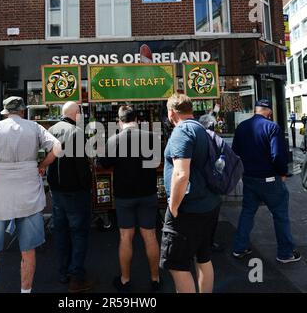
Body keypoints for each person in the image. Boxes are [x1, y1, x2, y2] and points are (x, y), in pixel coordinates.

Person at [0, 96, 61, 293]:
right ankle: (25, 291)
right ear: (23, 111)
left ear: (5, 112)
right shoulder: (34, 127)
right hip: (29, 190)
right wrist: (42, 165)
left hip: (0, 191)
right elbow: (57, 148)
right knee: (28, 249)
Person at [160, 95, 221, 293]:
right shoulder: (200, 128)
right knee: (203, 258)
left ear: (171, 113)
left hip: (188, 209)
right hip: (208, 204)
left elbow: (180, 174)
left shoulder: (182, 131)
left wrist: (173, 207)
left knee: (177, 265)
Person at [99, 106, 161, 293]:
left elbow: (103, 163)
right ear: (138, 120)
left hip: (124, 195)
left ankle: (125, 280)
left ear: (119, 121)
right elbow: (157, 162)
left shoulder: (113, 140)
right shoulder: (152, 137)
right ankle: (155, 279)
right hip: (148, 193)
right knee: (150, 236)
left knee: (126, 237)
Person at [232, 99, 301, 263]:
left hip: (249, 178)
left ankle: (239, 247)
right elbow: (277, 155)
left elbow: (235, 152)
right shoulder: (272, 127)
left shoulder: (242, 127)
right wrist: (283, 172)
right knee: (280, 215)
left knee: (247, 212)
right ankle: (285, 253)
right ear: (269, 111)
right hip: (269, 179)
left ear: (256, 109)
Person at [47, 102, 93, 293]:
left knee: (61, 232)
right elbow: (81, 167)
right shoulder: (76, 132)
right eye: (80, 112)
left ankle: (62, 272)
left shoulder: (51, 130)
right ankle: (77, 276)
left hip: (56, 191)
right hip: (75, 191)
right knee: (79, 233)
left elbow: (47, 159)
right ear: (76, 114)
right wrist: (87, 186)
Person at [198, 113, 224, 253]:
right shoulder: (214, 138)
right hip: (212, 183)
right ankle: (208, 241)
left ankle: (202, 241)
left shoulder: (195, 137)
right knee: (212, 215)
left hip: (199, 182)